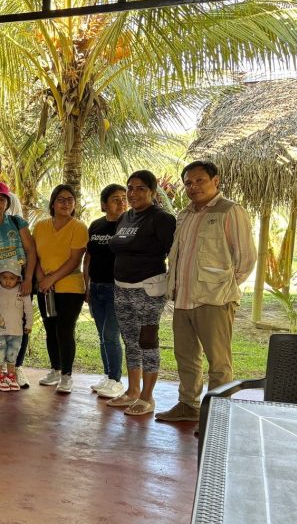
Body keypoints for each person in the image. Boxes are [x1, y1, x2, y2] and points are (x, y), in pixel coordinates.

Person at [157, 160, 256, 423]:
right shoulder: (185, 215)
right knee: (186, 357)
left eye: (200, 180)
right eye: (188, 182)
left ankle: (217, 415)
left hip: (215, 299)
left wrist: (223, 287)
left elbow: (245, 259)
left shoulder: (230, 211)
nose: (193, 186)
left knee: (218, 362)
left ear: (216, 181)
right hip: (183, 299)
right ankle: (188, 405)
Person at [106, 171, 177, 416]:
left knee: (147, 342)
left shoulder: (161, 218)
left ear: (152, 192)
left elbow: (173, 254)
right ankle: (132, 391)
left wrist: (174, 284)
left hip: (148, 290)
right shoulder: (126, 217)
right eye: (130, 188)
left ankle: (147, 396)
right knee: (130, 342)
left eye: (140, 189)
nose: (133, 193)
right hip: (122, 289)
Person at [33, 184, 89, 394]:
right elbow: (35, 256)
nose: (66, 204)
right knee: (50, 330)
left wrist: (52, 279)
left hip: (70, 288)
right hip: (45, 288)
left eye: (70, 200)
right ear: (53, 203)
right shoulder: (40, 226)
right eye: (61, 199)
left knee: (65, 330)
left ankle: (66, 375)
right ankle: (55, 369)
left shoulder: (79, 227)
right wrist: (41, 279)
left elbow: (75, 260)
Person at [0, 181, 37, 388]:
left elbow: (31, 251)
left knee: (20, 327)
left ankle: (17, 368)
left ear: (7, 202)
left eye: (1, 199)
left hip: (19, 284)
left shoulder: (17, 222)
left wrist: (29, 279)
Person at [83, 184, 128, 400]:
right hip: (96, 287)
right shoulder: (96, 225)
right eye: (115, 199)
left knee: (111, 334)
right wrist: (87, 285)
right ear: (104, 204)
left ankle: (116, 380)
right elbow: (88, 257)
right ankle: (107, 375)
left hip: (116, 289)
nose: (121, 202)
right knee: (102, 336)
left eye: (123, 198)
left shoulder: (129, 226)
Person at [0, 268, 35, 391]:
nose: (8, 281)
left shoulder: (22, 291)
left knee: (12, 355)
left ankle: (10, 377)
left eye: (12, 278)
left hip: (16, 332)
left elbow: (28, 310)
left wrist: (29, 324)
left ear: (18, 279)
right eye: (4, 278)